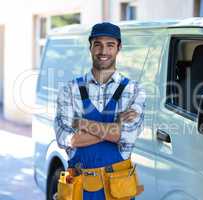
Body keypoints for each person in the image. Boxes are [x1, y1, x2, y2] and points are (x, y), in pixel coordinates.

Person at [54, 22, 146, 200]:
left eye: (110, 45)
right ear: (90, 48)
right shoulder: (70, 90)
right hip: (78, 187)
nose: (103, 51)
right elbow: (65, 138)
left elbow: (128, 135)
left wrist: (82, 123)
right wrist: (114, 129)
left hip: (119, 190)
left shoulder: (134, 91)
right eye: (98, 44)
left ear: (119, 48)